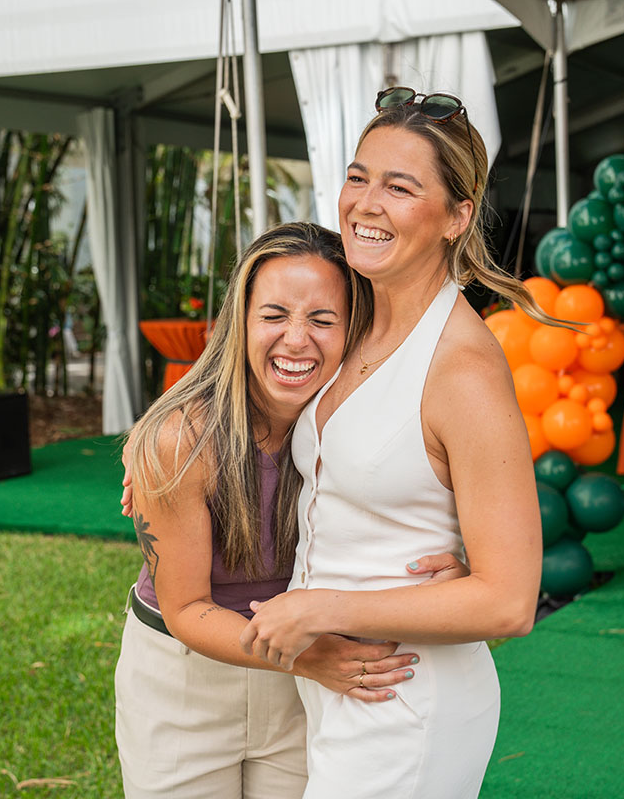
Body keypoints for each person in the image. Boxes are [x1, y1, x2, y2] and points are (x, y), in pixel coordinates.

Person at [239, 88, 544, 798]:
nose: (364, 204)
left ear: (457, 216)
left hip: (406, 697)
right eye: (357, 176)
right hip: (336, 688)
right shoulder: (352, 312)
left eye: (400, 187)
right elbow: (246, 354)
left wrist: (324, 608)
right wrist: (153, 438)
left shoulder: (461, 369)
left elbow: (508, 603)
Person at [116, 221, 467, 799]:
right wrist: (308, 658)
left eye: (323, 320)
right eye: (274, 315)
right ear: (241, 323)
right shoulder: (183, 442)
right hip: (186, 676)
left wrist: (453, 565)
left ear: (355, 328)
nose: (296, 340)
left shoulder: (362, 427)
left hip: (306, 676)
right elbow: (186, 609)